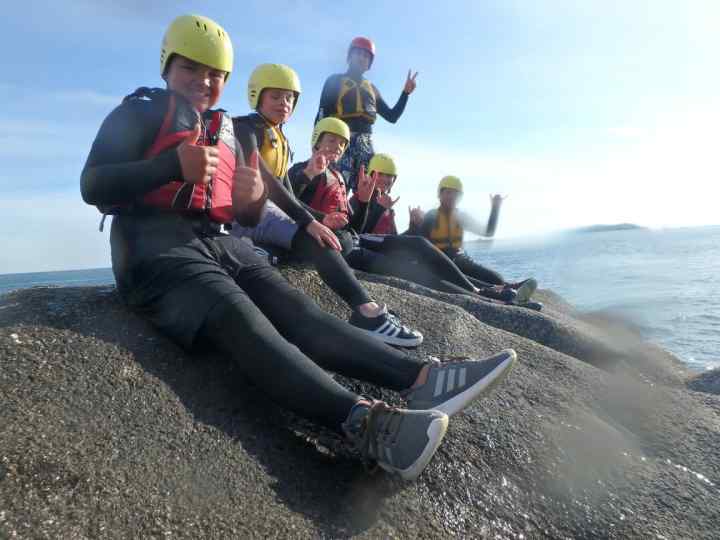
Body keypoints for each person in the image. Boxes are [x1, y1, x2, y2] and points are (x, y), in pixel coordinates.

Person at [80, 14, 518, 481]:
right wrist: (170, 164)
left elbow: (246, 216)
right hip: (152, 246)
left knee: (299, 311)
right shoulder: (141, 111)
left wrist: (248, 204)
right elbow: (93, 184)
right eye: (191, 69)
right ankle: (365, 423)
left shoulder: (223, 132)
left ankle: (422, 380)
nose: (203, 82)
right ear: (167, 66)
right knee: (240, 316)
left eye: (214, 74)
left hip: (216, 241)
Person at [230, 63, 422, 347]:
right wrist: (310, 220)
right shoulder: (244, 127)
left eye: (290, 98)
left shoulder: (280, 139)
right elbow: (269, 182)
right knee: (320, 237)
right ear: (256, 95)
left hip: (268, 217)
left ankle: (363, 311)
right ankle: (367, 312)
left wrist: (329, 215)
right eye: (276, 97)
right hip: (241, 217)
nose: (284, 104)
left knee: (329, 239)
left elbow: (286, 194)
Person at [289, 128, 517, 302]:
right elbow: (355, 228)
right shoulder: (305, 171)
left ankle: (483, 291)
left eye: (390, 177)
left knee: (417, 256)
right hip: (348, 244)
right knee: (414, 260)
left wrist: (410, 224)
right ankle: (481, 293)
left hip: (355, 243)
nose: (386, 181)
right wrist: (369, 204)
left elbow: (374, 233)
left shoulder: (346, 182)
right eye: (331, 141)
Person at [407, 175, 539, 306]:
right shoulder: (431, 215)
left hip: (462, 260)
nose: (451, 197)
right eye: (448, 193)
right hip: (443, 261)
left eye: (456, 194)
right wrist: (413, 224)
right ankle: (504, 292)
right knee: (462, 279)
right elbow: (420, 241)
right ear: (440, 195)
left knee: (498, 278)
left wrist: (495, 208)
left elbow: (488, 232)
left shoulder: (461, 216)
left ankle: (509, 289)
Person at [315, 36, 417, 193]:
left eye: (367, 56)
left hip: (366, 145)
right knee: (335, 186)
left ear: (370, 64)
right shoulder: (334, 81)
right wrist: (317, 146)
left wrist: (405, 93)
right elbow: (322, 114)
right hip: (342, 141)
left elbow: (392, 116)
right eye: (359, 54)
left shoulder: (372, 89)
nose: (362, 58)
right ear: (350, 57)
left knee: (367, 190)